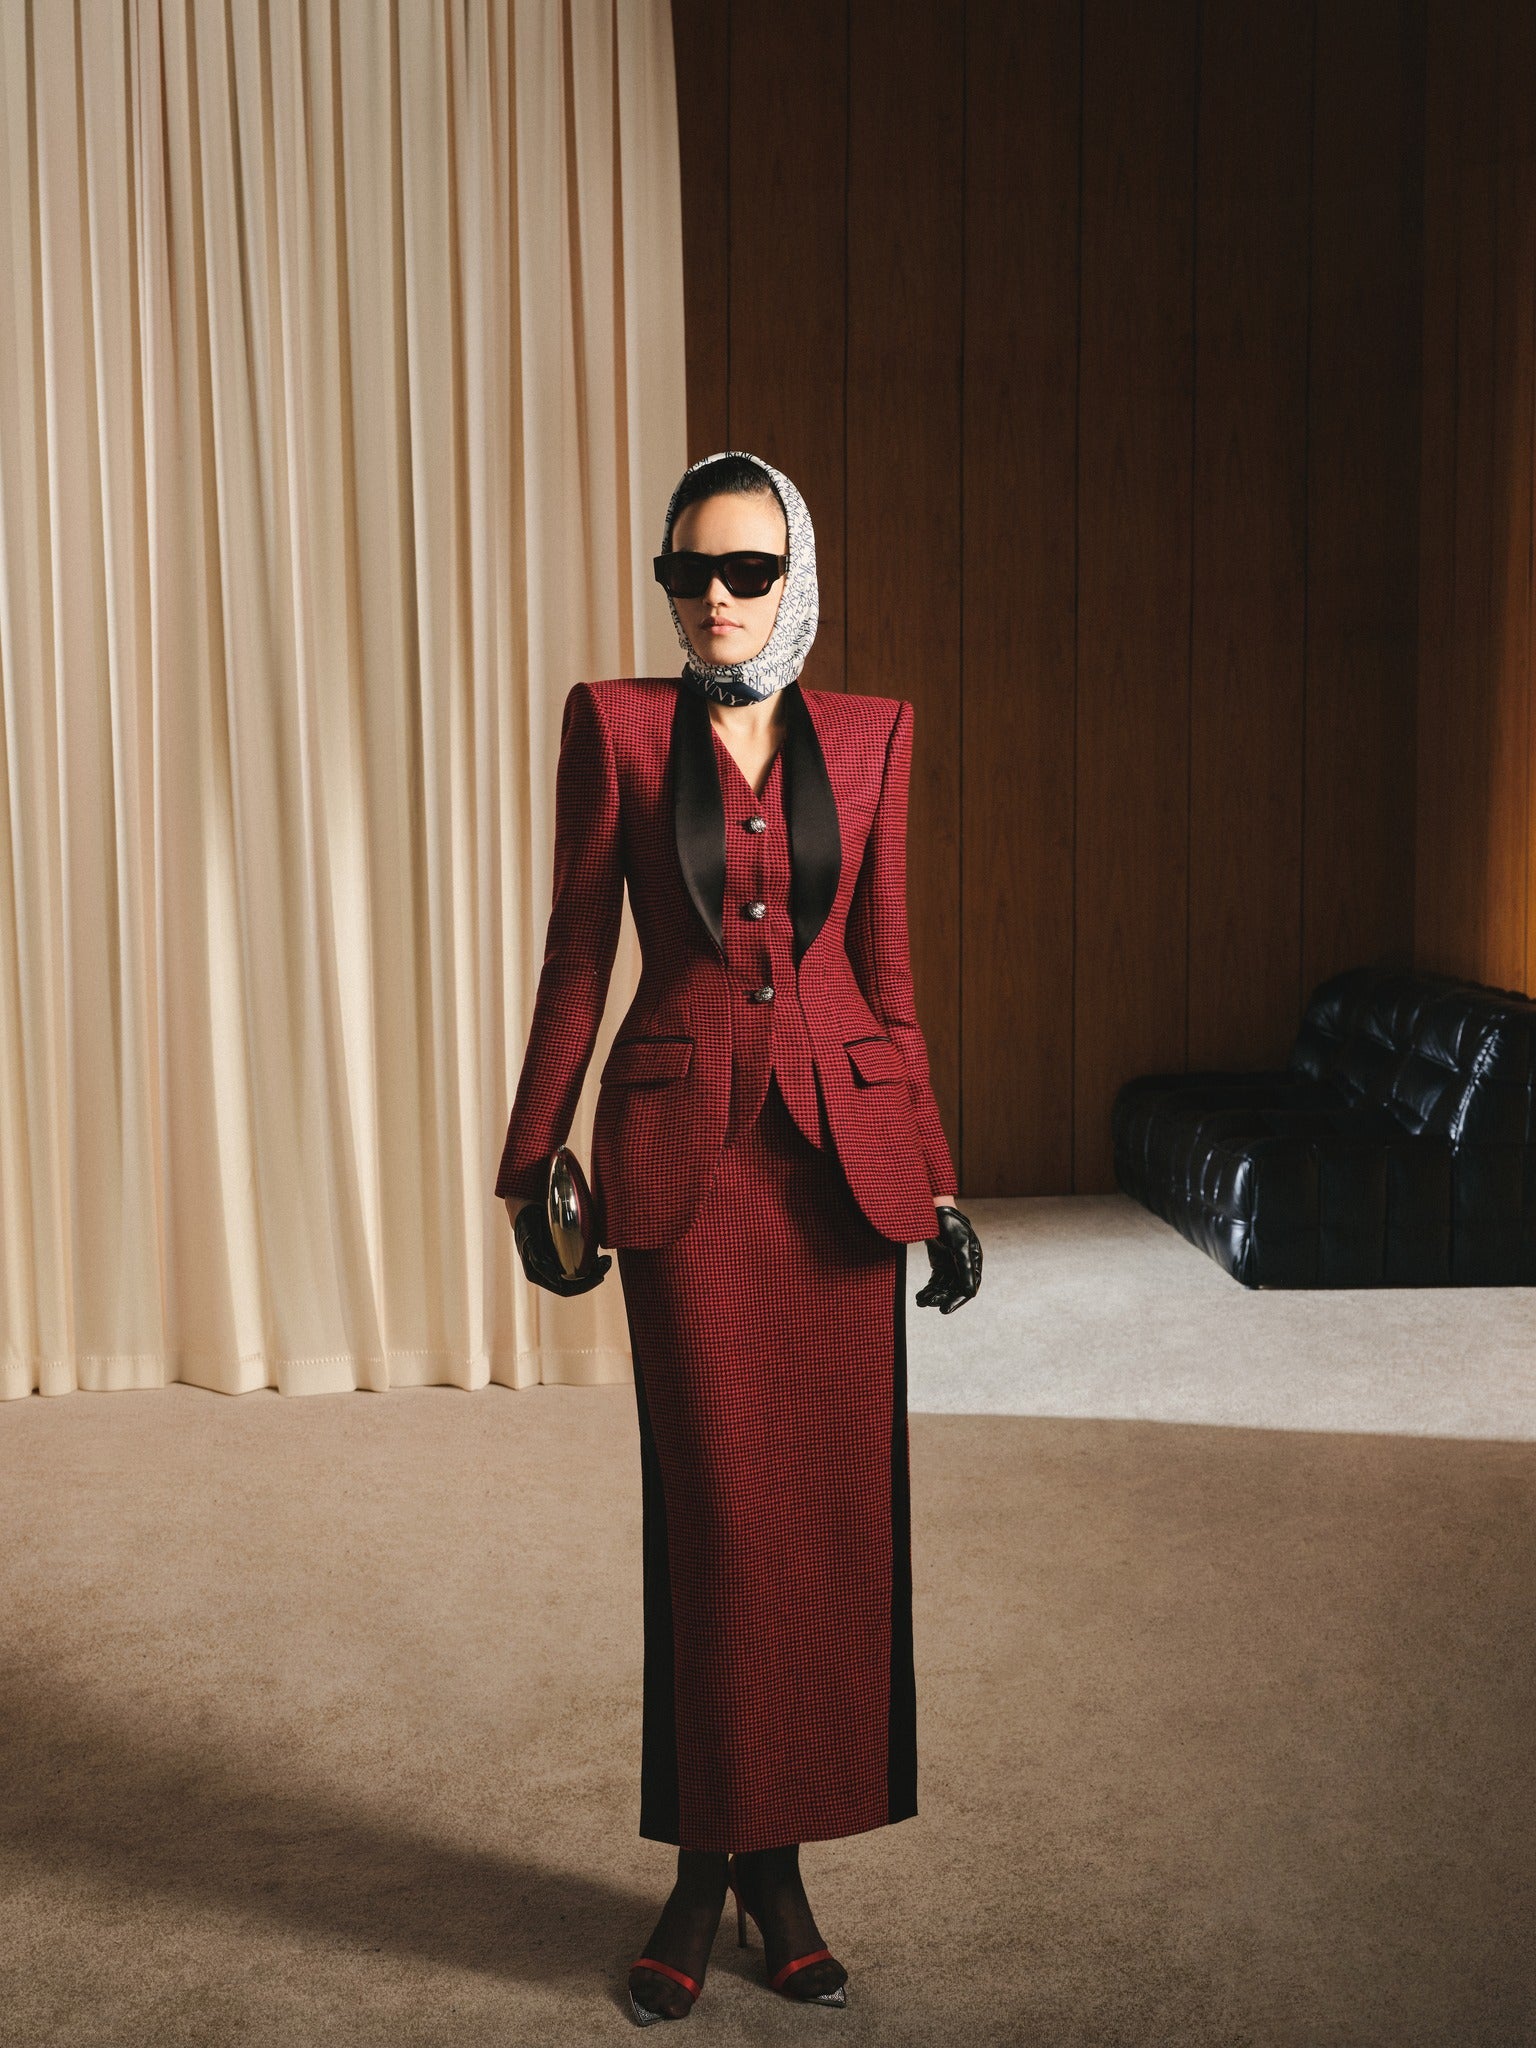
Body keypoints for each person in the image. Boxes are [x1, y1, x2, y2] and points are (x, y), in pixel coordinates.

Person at [495, 450, 983, 2025]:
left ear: (800, 575)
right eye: (689, 571)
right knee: (721, 1522)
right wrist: (528, 1164)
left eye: (750, 570)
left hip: (844, 1185)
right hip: (686, 1178)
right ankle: (711, 1874)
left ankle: (771, 1877)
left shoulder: (877, 737)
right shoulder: (620, 727)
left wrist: (943, 1178)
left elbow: (891, 985)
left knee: (828, 1537)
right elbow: (581, 949)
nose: (716, 597)